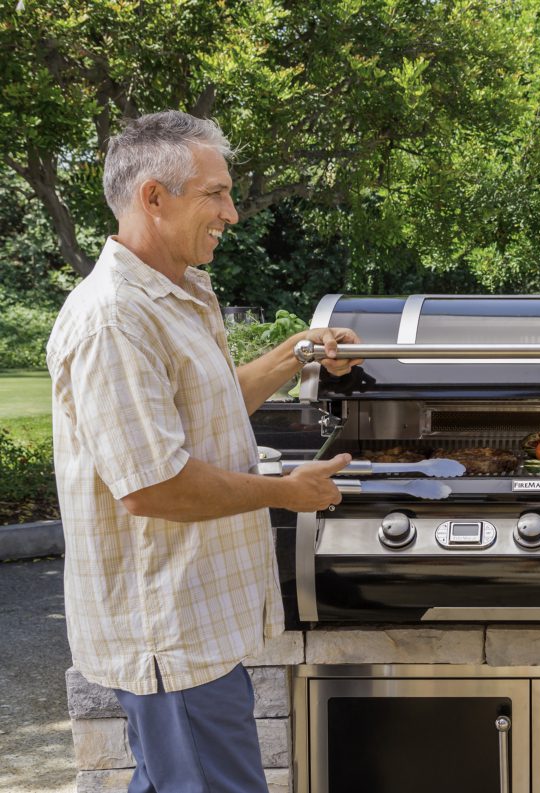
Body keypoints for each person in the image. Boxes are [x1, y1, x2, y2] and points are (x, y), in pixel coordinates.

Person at [46, 110, 363, 793]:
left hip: (195, 630)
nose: (234, 211)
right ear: (153, 197)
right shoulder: (114, 318)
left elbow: (209, 403)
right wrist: (288, 491)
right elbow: (152, 486)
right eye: (215, 193)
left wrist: (295, 352)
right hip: (170, 636)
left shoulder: (179, 292)